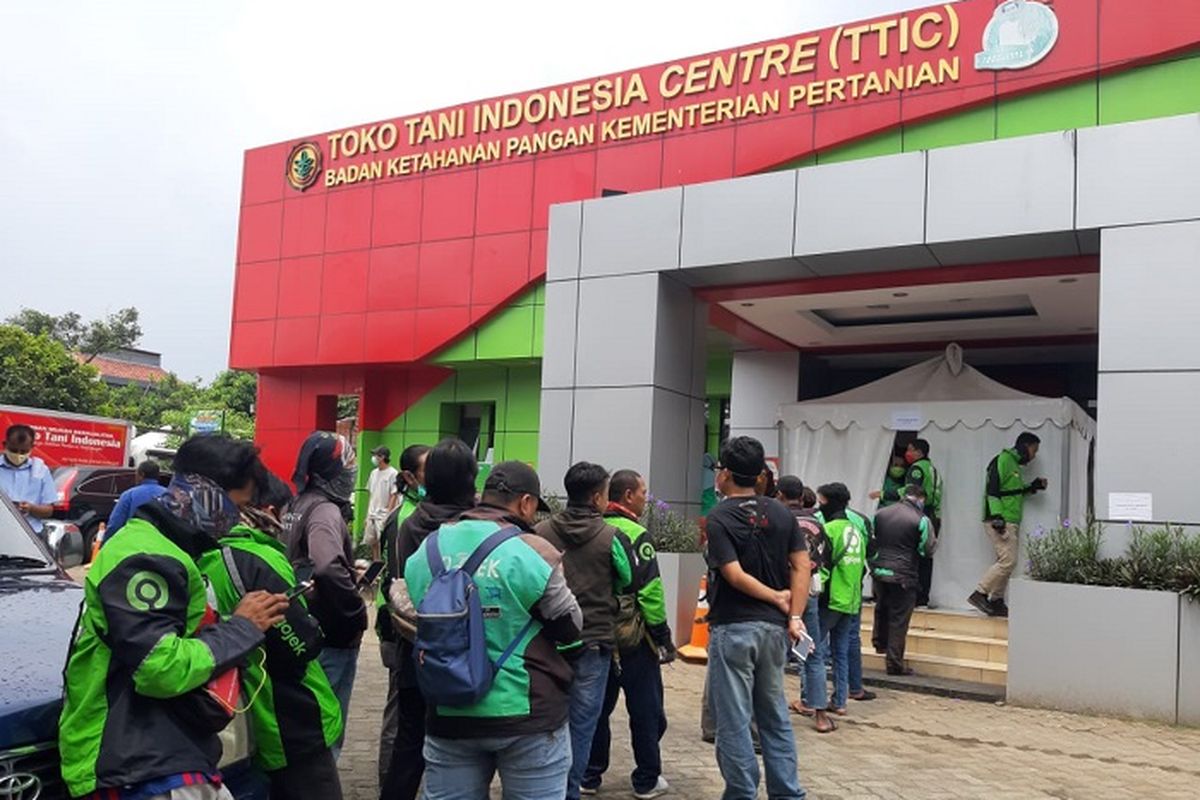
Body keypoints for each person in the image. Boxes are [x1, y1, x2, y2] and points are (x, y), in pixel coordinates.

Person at [59, 435, 290, 800]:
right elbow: (158, 666)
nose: (235, 520)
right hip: (135, 759)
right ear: (206, 492)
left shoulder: (172, 549)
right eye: (237, 505)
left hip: (164, 750)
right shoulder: (146, 555)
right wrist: (242, 628)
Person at [404, 461, 583, 800]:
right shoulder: (533, 551)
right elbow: (571, 627)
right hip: (526, 713)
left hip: (449, 710)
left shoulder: (427, 548)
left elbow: (414, 613)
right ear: (526, 503)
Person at [198, 468, 344, 799]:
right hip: (291, 721)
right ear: (270, 512)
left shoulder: (201, 553)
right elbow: (301, 643)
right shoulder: (255, 558)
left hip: (235, 724)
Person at [705, 436, 809, 800]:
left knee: (734, 721)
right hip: (775, 631)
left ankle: (741, 792)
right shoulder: (781, 512)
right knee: (774, 716)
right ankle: (787, 792)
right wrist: (793, 613)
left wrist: (777, 597)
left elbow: (732, 575)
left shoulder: (719, 517)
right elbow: (802, 565)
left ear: (727, 474)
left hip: (734, 627)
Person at [380, 438, 476, 800]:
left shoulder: (411, 523)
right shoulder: (470, 526)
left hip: (416, 651)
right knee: (459, 753)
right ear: (470, 479)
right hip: (463, 656)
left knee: (408, 747)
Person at [535, 462, 633, 800]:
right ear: (596, 498)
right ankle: (569, 791)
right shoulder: (611, 536)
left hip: (547, 642)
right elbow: (627, 579)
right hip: (592, 642)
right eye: (606, 495)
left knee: (546, 719)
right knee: (583, 724)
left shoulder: (541, 531)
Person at [582, 470, 674, 799]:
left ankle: (589, 776)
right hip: (633, 638)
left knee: (595, 709)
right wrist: (662, 636)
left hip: (594, 635)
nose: (645, 499)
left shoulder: (591, 530)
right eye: (642, 492)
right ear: (628, 496)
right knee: (646, 711)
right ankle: (647, 779)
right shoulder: (636, 533)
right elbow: (650, 592)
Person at [282, 431, 367, 758]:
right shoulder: (325, 511)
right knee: (326, 730)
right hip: (330, 635)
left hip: (301, 630)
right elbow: (327, 565)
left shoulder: (295, 504)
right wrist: (355, 611)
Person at [375, 442, 429, 787]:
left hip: (412, 629)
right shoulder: (407, 520)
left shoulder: (421, 512)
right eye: (429, 470)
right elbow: (398, 582)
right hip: (402, 630)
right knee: (401, 709)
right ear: (409, 476)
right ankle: (390, 778)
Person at [778, 475, 836, 734]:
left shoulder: (777, 519)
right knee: (812, 652)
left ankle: (771, 713)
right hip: (808, 594)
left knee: (774, 654)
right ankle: (821, 715)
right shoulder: (816, 523)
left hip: (778, 594)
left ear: (779, 494)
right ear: (802, 497)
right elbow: (826, 556)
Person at [971, 432, 1047, 618]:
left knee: (1006, 561)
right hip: (1000, 519)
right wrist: (997, 516)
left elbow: (1012, 491)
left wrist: (1032, 487)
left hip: (1009, 519)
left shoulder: (1014, 465)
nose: (1034, 455)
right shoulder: (1002, 460)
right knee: (1008, 561)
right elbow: (992, 490)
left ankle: (996, 600)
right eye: (1033, 450)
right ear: (1024, 446)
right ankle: (980, 593)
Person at [869, 484, 937, 675]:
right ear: (920, 498)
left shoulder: (881, 513)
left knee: (881, 608)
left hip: (879, 571)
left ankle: (879, 643)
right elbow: (927, 549)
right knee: (899, 618)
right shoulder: (922, 519)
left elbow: (872, 541)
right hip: (904, 575)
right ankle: (894, 663)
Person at [815, 482, 867, 716]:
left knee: (813, 650)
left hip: (831, 598)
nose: (819, 505)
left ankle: (812, 700)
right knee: (841, 651)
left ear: (829, 502)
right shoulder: (856, 529)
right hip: (851, 599)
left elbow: (823, 567)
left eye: (821, 501)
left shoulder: (830, 530)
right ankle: (840, 700)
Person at [902, 439, 941, 607]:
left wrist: (884, 493)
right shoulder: (934, 469)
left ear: (919, 452)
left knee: (913, 555)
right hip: (933, 515)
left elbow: (911, 492)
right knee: (926, 555)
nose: (907, 453)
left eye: (910, 449)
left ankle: (914, 596)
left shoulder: (917, 469)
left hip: (918, 513)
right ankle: (923, 596)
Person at [0, 424, 56, 538]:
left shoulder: (41, 470)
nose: (18, 455)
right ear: (5, 445)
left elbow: (49, 510)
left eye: (23, 451)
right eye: (14, 450)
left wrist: (30, 508)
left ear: (32, 447)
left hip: (31, 536)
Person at [107, 459, 168, 536]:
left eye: (136, 473)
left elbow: (115, 524)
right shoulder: (168, 495)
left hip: (133, 542)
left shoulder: (129, 495)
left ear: (141, 475)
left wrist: (105, 543)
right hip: (160, 544)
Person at [364, 445, 399, 562]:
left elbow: (394, 495)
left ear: (382, 457)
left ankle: (385, 567)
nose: (373, 458)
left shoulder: (393, 473)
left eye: (376, 455)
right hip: (372, 513)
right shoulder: (373, 473)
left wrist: (388, 514)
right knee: (373, 542)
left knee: (383, 543)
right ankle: (376, 563)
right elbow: (371, 494)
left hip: (383, 513)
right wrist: (367, 515)